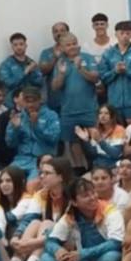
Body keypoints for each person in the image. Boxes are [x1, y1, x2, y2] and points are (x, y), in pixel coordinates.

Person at [41, 177, 124, 261]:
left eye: (93, 193)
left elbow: (116, 243)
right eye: (86, 196)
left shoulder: (110, 210)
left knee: (112, 257)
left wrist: (82, 254)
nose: (93, 197)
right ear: (74, 202)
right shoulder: (70, 216)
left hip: (100, 260)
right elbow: (50, 241)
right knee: (45, 258)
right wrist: (59, 251)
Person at [50, 33, 100, 164]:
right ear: (62, 47)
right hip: (68, 111)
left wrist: (80, 68)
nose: (72, 47)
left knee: (93, 141)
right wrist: (61, 74)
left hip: (89, 109)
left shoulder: (88, 58)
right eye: (68, 45)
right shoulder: (60, 62)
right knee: (74, 142)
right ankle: (79, 169)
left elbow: (95, 78)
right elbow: (55, 87)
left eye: (74, 43)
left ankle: (96, 167)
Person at [4, 87, 61, 182]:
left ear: (40, 100)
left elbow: (54, 138)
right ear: (23, 102)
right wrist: (15, 129)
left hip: (42, 159)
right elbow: (10, 144)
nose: (30, 104)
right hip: (22, 158)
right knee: (7, 178)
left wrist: (36, 126)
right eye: (27, 101)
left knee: (32, 183)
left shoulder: (51, 116)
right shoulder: (18, 117)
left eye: (33, 101)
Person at [99, 20, 131, 122]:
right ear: (116, 34)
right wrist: (115, 71)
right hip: (114, 104)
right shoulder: (108, 53)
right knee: (116, 130)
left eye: (128, 33)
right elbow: (103, 77)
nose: (125, 36)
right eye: (122, 33)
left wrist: (128, 71)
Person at [37, 21, 71, 111]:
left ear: (68, 33)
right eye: (55, 31)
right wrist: (55, 58)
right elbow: (43, 71)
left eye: (62, 30)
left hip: (72, 99)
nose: (59, 33)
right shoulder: (46, 52)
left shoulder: (74, 51)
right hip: (54, 98)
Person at [0, 32, 43, 97]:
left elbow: (40, 82)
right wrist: (25, 72)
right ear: (12, 47)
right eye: (15, 45)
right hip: (13, 101)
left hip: (31, 100)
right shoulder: (5, 65)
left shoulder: (32, 63)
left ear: (26, 46)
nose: (19, 47)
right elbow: (7, 84)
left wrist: (32, 73)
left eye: (21, 44)